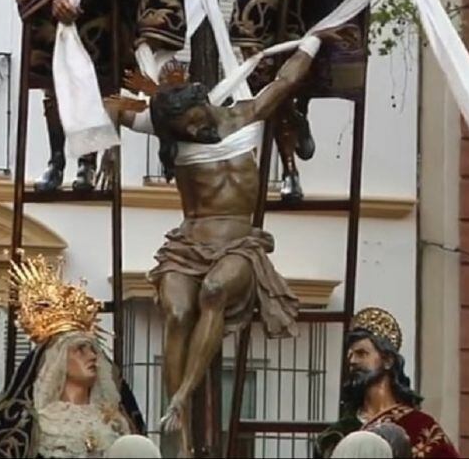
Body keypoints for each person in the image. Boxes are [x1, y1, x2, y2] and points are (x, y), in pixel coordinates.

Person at [103, 33, 347, 454]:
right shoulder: (171, 132)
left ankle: (183, 396)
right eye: (184, 130)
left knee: (215, 290)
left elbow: (287, 81)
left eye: (196, 120)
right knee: (177, 312)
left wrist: (312, 41)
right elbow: (105, 105)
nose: (195, 131)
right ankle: (178, 430)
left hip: (237, 245)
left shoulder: (246, 115)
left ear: (205, 102)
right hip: (187, 245)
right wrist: (117, 138)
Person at [229, 0, 424, 201]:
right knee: (270, 83)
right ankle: (289, 164)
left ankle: (301, 108)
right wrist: (252, 38)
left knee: (332, 65)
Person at [10, 0, 185, 193]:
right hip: (65, 13)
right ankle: (57, 159)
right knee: (57, 90)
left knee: (105, 91)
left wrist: (155, 21)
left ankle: (86, 165)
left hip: (115, 10)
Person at [0, 255, 145, 458]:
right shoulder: (33, 425)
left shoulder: (116, 422)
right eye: (80, 350)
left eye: (93, 350)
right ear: (57, 361)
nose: (92, 357)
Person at [315, 307, 459, 459]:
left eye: (361, 354)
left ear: (388, 361)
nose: (352, 361)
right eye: (350, 356)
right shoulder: (335, 434)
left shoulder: (420, 427)